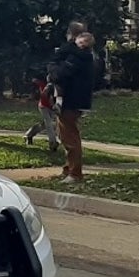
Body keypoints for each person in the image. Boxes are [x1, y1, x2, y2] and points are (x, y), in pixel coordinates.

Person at [47, 27, 96, 184]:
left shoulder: (75, 57)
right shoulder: (85, 56)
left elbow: (60, 74)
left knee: (70, 137)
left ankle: (75, 173)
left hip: (71, 100)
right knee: (64, 134)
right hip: (76, 100)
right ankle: (69, 168)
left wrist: (51, 71)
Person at [24, 76, 58, 152]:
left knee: (45, 125)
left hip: (52, 108)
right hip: (43, 107)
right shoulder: (45, 86)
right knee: (49, 124)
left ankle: (29, 135)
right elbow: (36, 81)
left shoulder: (59, 87)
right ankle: (53, 143)